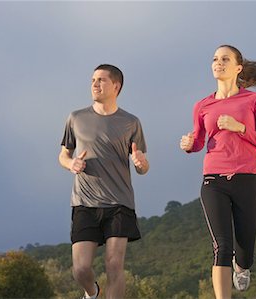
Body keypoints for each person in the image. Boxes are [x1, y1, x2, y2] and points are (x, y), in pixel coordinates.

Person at [180, 45, 256, 299]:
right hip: (213, 181)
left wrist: (241, 128)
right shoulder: (202, 105)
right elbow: (200, 141)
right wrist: (189, 145)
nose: (218, 63)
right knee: (221, 246)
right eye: (215, 58)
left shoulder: (254, 100)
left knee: (245, 249)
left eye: (225, 59)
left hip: (246, 179)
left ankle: (242, 266)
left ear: (238, 68)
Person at [59, 64, 149, 299]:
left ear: (116, 86)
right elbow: (63, 154)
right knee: (80, 269)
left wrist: (141, 164)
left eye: (101, 80)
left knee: (114, 266)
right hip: (84, 202)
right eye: (92, 80)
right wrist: (71, 164)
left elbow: (143, 166)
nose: (95, 84)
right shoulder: (76, 118)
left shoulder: (131, 122)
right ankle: (92, 292)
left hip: (120, 203)